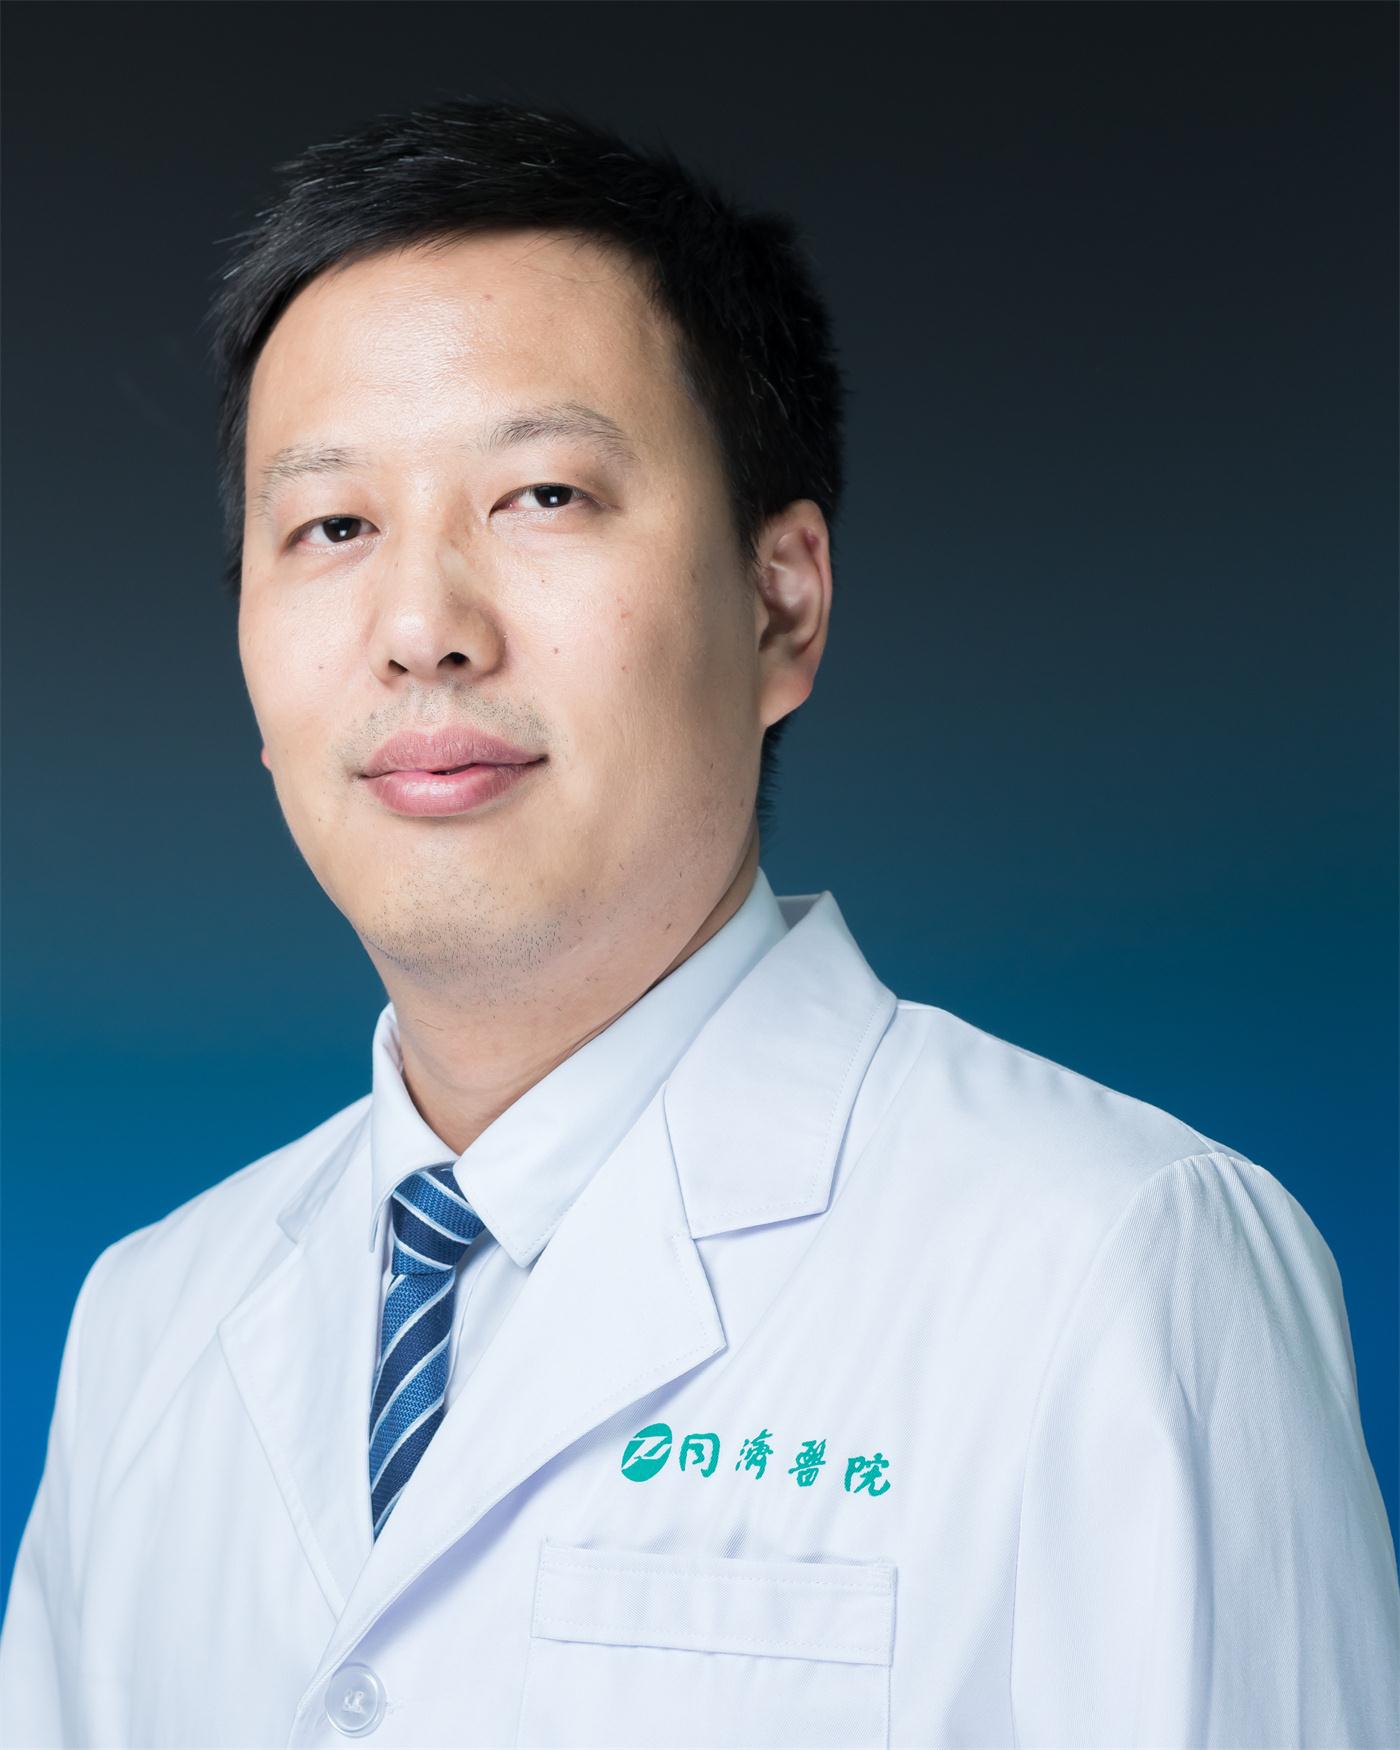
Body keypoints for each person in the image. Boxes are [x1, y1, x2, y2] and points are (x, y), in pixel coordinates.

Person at [1, 95, 1395, 1750]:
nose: (423, 627)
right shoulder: (149, 1322)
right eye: (334, 527)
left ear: (781, 601)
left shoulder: (1116, 1262)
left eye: (541, 495)